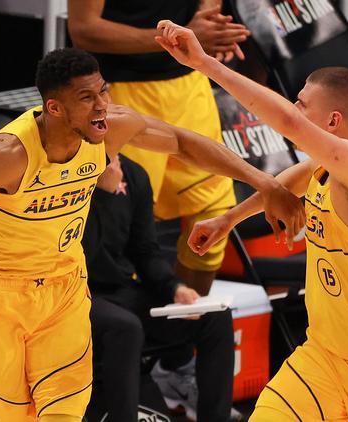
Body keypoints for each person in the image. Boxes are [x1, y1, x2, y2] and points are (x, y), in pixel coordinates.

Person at [0, 48, 304, 422]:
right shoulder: (7, 156)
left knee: (64, 413)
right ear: (55, 108)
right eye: (86, 98)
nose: (101, 105)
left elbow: (182, 142)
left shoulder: (111, 128)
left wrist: (265, 183)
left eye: (103, 91)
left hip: (64, 285)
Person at [155, 21, 348, 421]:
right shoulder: (324, 167)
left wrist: (205, 64)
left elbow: (287, 123)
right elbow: (287, 182)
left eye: (302, 103)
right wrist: (229, 219)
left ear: (332, 121)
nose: (294, 109)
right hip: (325, 358)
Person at [68, 0, 251, 296]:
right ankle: (129, 321)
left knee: (213, 219)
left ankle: (190, 317)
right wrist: (177, 38)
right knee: (125, 230)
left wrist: (208, 24)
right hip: (124, 90)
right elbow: (83, 29)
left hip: (189, 83)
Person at [83, 154, 235, 422]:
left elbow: (145, 251)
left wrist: (174, 287)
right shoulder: (63, 174)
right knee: (126, 327)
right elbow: (77, 254)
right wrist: (103, 195)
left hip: (120, 291)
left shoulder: (133, 174)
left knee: (215, 317)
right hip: (75, 294)